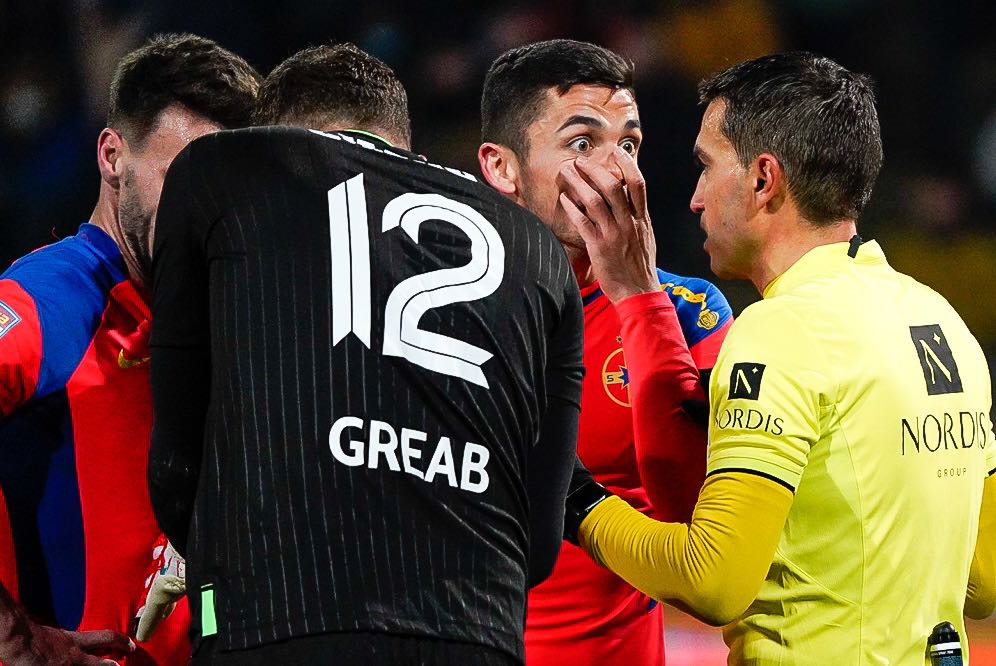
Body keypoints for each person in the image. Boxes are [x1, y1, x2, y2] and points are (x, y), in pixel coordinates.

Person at [147, 43, 583, 666]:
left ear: (277, 132)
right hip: (477, 635)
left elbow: (176, 460)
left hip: (279, 621)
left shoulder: (225, 167)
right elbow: (538, 542)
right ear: (401, 142)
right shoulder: (539, 249)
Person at [566, 52, 996, 664]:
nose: (694, 199)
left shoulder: (781, 331)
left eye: (706, 167)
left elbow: (713, 582)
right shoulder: (940, 319)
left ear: (764, 179)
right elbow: (983, 578)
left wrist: (578, 499)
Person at [0, 33, 259, 665]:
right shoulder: (48, 302)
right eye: (184, 178)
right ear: (113, 156)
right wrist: (13, 639)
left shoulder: (225, 322)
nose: (205, 211)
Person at [477, 39, 732, 665]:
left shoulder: (690, 313)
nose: (618, 171)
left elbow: (698, 518)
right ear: (503, 168)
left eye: (629, 145)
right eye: (583, 143)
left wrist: (638, 296)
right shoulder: (442, 314)